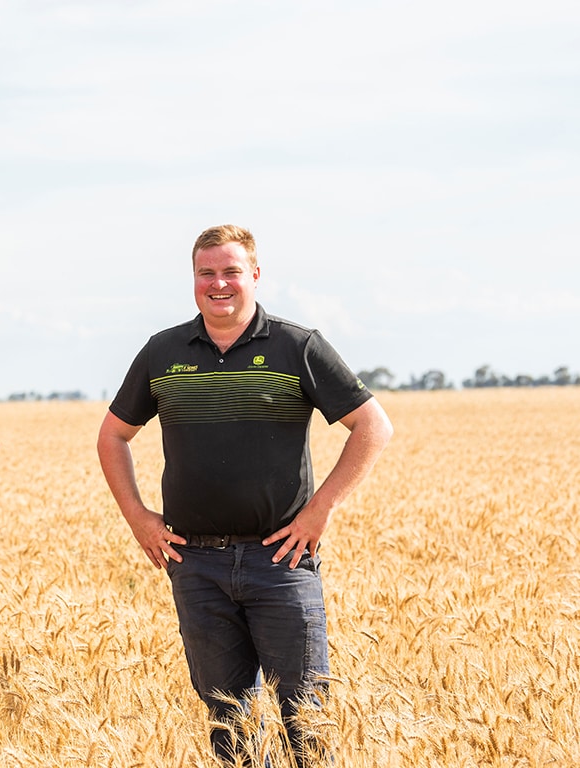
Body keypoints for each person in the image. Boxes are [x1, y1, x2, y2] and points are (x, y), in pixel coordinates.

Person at [96, 224, 392, 766]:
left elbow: (373, 427)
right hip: (195, 565)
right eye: (206, 273)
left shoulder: (297, 345)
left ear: (255, 274)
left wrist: (319, 510)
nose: (219, 284)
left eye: (231, 271)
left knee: (306, 721)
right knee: (228, 727)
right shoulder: (163, 351)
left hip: (281, 561)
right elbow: (113, 435)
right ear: (193, 280)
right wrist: (138, 517)